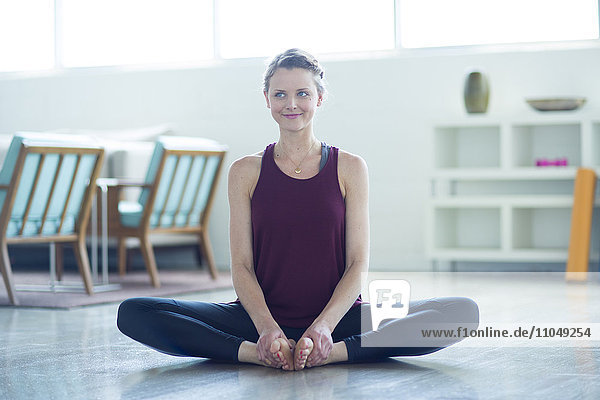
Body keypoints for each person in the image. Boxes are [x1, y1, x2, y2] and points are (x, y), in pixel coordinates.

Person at [117, 48, 479, 371]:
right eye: (280, 94)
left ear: (319, 98)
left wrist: (323, 330)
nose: (291, 104)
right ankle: (254, 353)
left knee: (460, 313)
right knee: (134, 312)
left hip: (340, 321)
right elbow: (241, 266)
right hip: (260, 320)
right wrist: (266, 329)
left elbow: (357, 264)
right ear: (267, 99)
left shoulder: (350, 167)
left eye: (302, 93)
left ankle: (333, 353)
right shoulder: (245, 171)